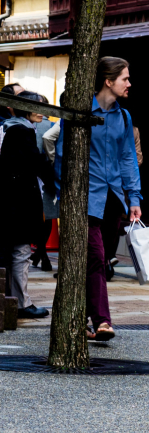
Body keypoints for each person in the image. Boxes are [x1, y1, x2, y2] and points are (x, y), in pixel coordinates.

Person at [56, 57, 143, 341]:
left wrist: (134, 198)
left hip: (113, 199)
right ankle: (102, 321)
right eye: (125, 79)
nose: (129, 83)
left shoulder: (124, 117)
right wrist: (63, 191)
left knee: (100, 260)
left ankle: (80, 319)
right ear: (109, 81)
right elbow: (62, 153)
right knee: (94, 257)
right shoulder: (80, 111)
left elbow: (129, 158)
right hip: (85, 197)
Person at [0, 91, 54, 319]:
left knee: (14, 251)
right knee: (21, 251)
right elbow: (34, 161)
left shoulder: (10, 127)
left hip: (11, 200)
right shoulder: (21, 130)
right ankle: (22, 302)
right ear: (25, 109)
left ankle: (15, 300)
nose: (41, 112)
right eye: (38, 107)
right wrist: (56, 176)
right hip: (18, 202)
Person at [31, 94, 56, 272]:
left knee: (33, 215)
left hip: (30, 175)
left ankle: (40, 253)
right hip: (48, 175)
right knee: (47, 216)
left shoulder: (25, 125)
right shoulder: (53, 126)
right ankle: (41, 253)